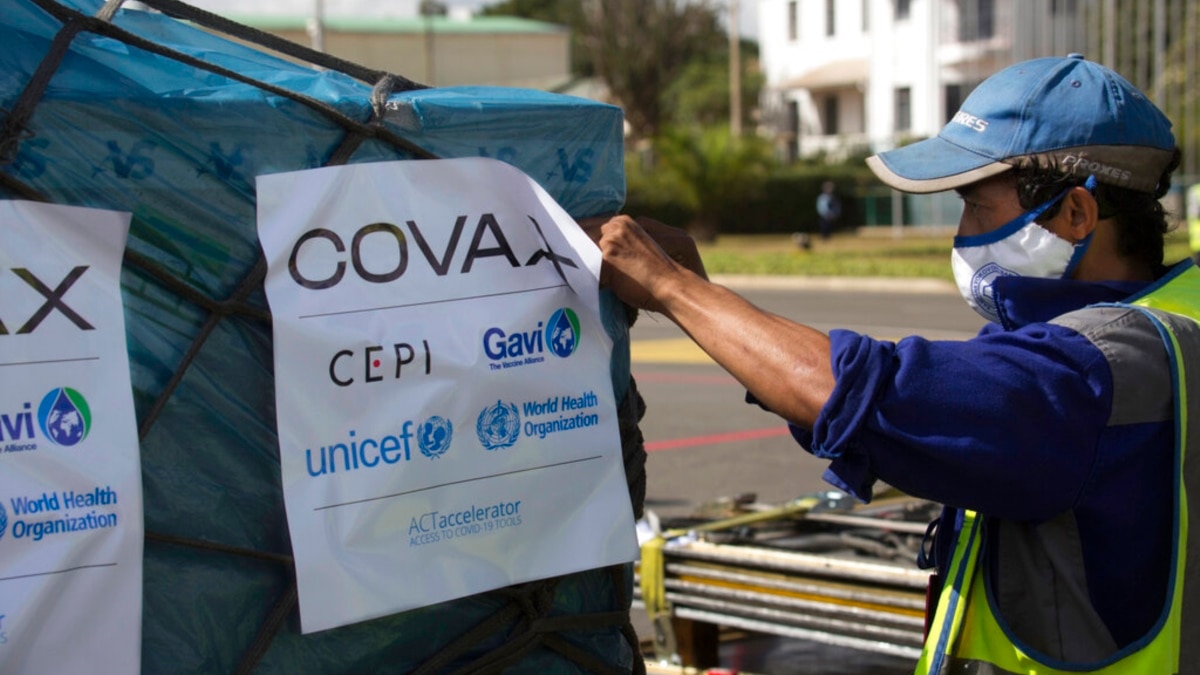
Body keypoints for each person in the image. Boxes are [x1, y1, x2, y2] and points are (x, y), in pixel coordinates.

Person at [586, 54, 1200, 673]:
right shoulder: (1176, 319)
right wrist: (704, 294)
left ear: (1075, 215)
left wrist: (675, 289)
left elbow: (856, 395)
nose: (959, 235)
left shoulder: (1091, 373)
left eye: (976, 206)